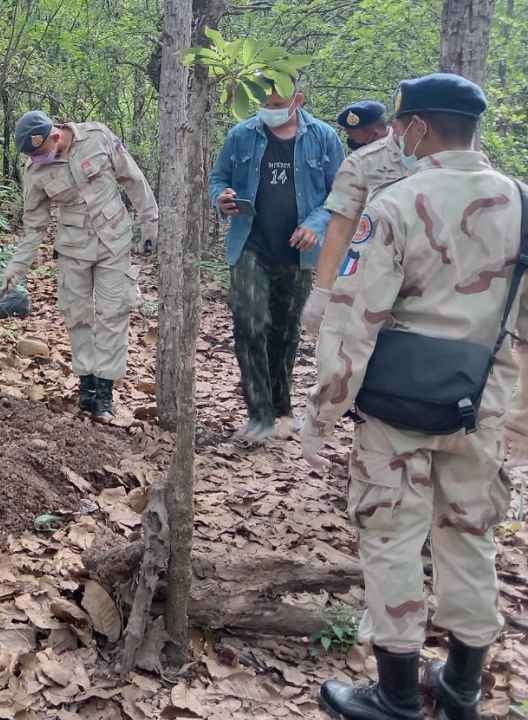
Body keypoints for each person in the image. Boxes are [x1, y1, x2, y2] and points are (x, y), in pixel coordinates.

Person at [300, 73, 518, 720]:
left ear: (418, 128)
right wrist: (521, 430)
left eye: (402, 125)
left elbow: (355, 317)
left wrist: (323, 412)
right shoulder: (522, 204)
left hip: (398, 406)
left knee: (392, 536)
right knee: (472, 536)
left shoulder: (394, 203)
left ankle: (395, 694)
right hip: (482, 402)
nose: (397, 135)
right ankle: (462, 688)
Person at [208, 81, 344, 443]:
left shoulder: (323, 138)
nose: (269, 109)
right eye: (264, 103)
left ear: (297, 100)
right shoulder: (242, 135)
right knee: (250, 325)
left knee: (285, 332)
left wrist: (317, 224)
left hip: (298, 251)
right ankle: (260, 415)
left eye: (278, 103)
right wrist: (220, 198)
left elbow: (341, 194)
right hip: (249, 244)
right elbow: (218, 177)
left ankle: (283, 411)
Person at [0, 110, 158, 420]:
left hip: (114, 242)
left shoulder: (97, 137)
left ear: (55, 136)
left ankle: (104, 393)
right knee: (77, 315)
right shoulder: (35, 171)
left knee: (113, 313)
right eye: (34, 157)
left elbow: (132, 178)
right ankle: (86, 387)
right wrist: (15, 267)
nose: (39, 160)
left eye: (42, 152)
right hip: (73, 249)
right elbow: (34, 225)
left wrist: (150, 222)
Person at [300, 101, 406, 333]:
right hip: (365, 268)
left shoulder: (419, 157)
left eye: (353, 134)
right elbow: (339, 227)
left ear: (374, 132)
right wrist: (322, 292)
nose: (349, 139)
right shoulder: (358, 163)